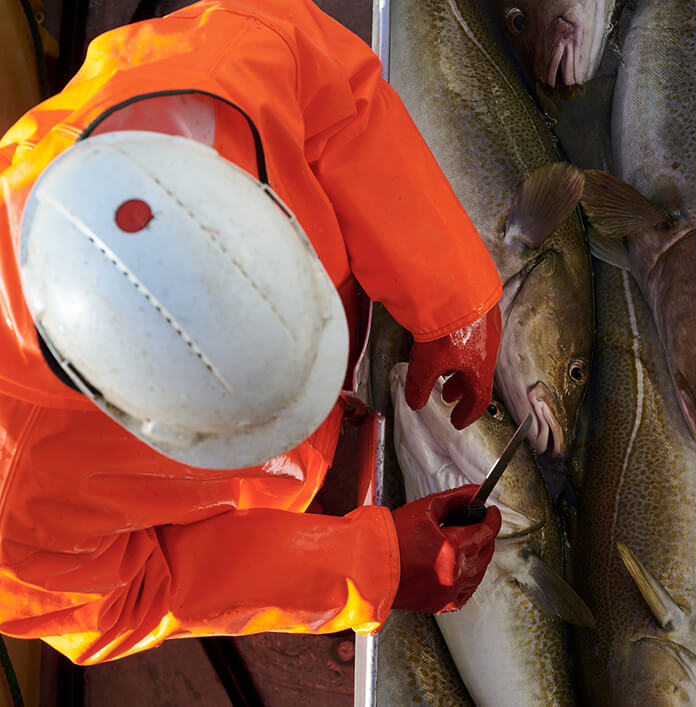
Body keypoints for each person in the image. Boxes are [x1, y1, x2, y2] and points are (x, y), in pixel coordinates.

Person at [0, 0, 504, 665]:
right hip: (283, 494)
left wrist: (448, 289)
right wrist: (365, 565)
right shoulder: (12, 536)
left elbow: (332, 91)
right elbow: (134, 596)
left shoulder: (198, 83)